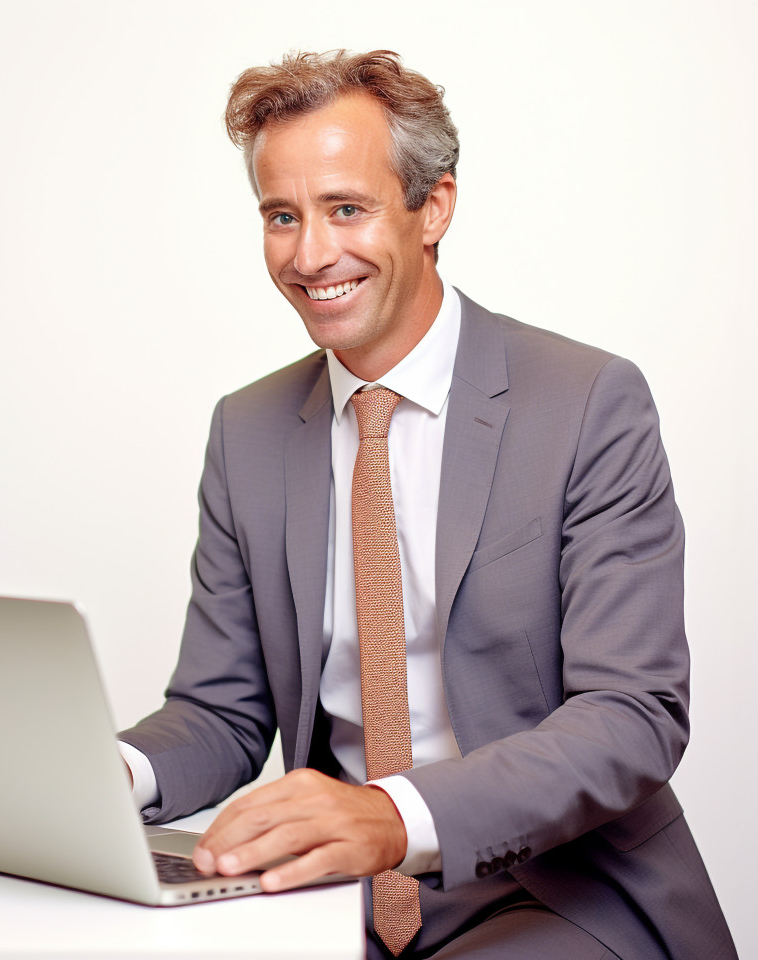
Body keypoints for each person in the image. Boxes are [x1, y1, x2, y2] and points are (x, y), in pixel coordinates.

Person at [119, 50, 737, 959]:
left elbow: (630, 712)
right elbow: (221, 713)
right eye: (282, 216)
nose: (310, 255)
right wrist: (105, 776)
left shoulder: (587, 402)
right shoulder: (246, 430)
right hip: (336, 902)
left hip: (559, 891)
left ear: (434, 207)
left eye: (346, 208)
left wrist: (392, 817)